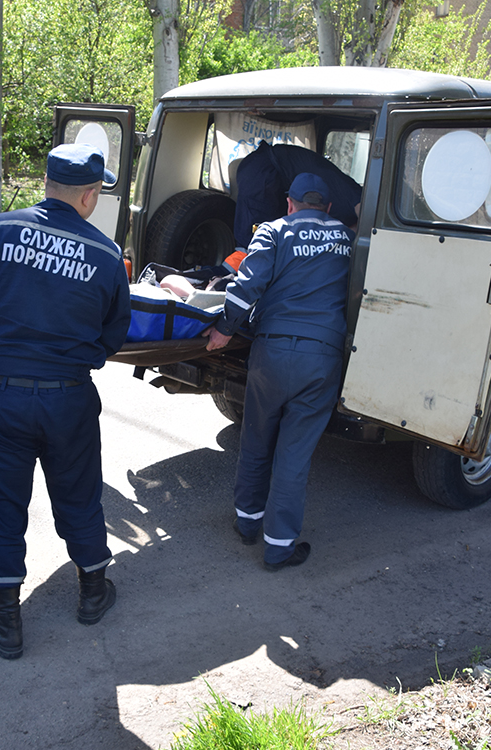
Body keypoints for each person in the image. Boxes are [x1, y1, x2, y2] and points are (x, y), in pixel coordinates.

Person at [0, 143, 131, 659]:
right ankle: (93, 591)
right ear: (90, 196)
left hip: (1, 395)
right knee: (80, 494)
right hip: (69, 397)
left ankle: (7, 621)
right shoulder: (107, 254)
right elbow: (114, 336)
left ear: (46, 184)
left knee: (4, 504)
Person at [206, 173, 353, 570]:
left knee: (256, 439)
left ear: (289, 203)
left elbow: (246, 286)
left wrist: (224, 329)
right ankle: (279, 547)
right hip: (321, 356)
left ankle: (247, 523)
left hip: (271, 354)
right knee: (294, 455)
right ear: (327, 207)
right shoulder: (347, 237)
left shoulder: (274, 231)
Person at [233, 141, 362, 250]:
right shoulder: (351, 197)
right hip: (263, 170)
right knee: (254, 242)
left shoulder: (346, 212)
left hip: (279, 178)